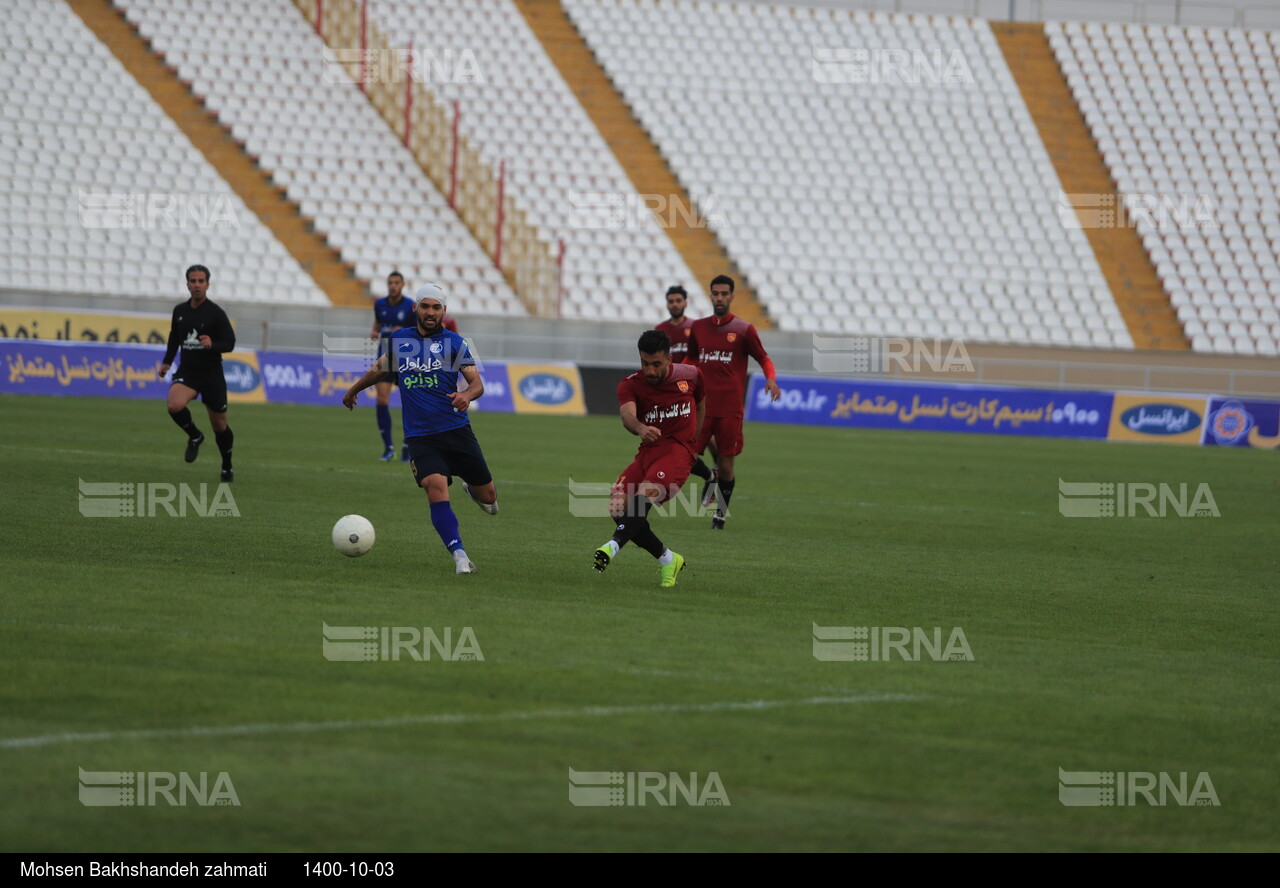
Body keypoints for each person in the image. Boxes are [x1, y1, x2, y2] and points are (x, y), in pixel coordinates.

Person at [343, 283, 497, 574]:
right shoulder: (400, 339)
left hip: (456, 432)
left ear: (444, 311)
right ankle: (460, 556)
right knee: (434, 487)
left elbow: (476, 383)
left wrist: (466, 395)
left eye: (436, 307)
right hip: (420, 436)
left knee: (489, 498)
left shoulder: (455, 342)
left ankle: (472, 489)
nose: (430, 312)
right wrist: (353, 390)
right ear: (415, 308)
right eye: (425, 306)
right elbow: (380, 368)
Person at [594, 329, 704, 588]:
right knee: (617, 507)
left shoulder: (691, 376)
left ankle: (613, 546)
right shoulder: (631, 384)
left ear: (669, 359)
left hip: (677, 452)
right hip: (649, 451)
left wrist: (693, 443)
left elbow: (701, 403)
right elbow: (627, 416)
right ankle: (668, 559)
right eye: (645, 364)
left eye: (656, 364)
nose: (650, 371)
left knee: (645, 494)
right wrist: (640, 428)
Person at [684, 274, 781, 529]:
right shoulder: (698, 328)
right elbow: (690, 360)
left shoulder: (743, 330)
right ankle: (708, 475)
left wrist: (770, 379)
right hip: (703, 408)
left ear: (731, 296)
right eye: (715, 293)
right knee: (684, 456)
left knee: (727, 464)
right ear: (710, 295)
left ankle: (720, 514)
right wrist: (673, 379)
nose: (719, 298)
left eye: (724, 294)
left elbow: (764, 358)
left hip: (730, 411)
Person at [157, 264, 236, 482]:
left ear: (208, 285)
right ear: (188, 284)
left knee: (220, 426)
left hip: (211, 374)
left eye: (201, 281)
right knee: (174, 405)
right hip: (188, 371)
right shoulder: (180, 311)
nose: (197, 285)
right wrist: (166, 361)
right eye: (193, 281)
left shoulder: (216, 313)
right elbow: (175, 337)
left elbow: (229, 343)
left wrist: (213, 344)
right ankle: (195, 436)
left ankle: (227, 465)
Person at [656, 284, 716, 498]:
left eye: (678, 301)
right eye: (671, 301)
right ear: (667, 304)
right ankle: (711, 475)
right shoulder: (660, 330)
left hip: (690, 393)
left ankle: (714, 473)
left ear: (685, 302)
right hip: (667, 397)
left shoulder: (695, 328)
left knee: (690, 440)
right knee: (680, 443)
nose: (674, 304)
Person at [370, 271, 417, 461]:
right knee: (382, 400)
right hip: (384, 358)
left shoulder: (410, 306)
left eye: (396, 282)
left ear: (403, 284)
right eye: (390, 282)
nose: (393, 286)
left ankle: (408, 444)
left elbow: (419, 331)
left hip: (406, 359)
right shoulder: (379, 304)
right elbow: (378, 322)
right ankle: (388, 447)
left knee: (411, 402)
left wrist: (403, 331)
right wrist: (374, 331)